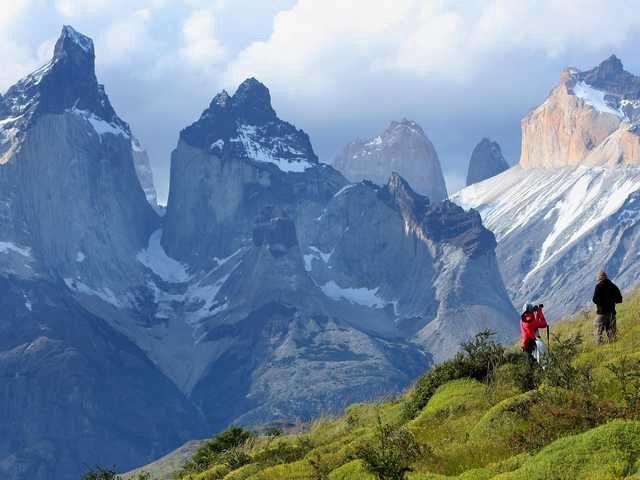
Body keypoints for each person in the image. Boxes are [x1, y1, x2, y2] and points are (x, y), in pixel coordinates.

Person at [593, 271, 622, 344]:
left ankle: (599, 346)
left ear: (600, 277)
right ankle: (614, 347)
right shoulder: (613, 286)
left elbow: (595, 300)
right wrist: (611, 301)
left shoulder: (599, 286)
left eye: (598, 278)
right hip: (612, 313)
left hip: (602, 313)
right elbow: (619, 299)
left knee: (598, 329)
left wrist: (602, 304)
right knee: (612, 333)